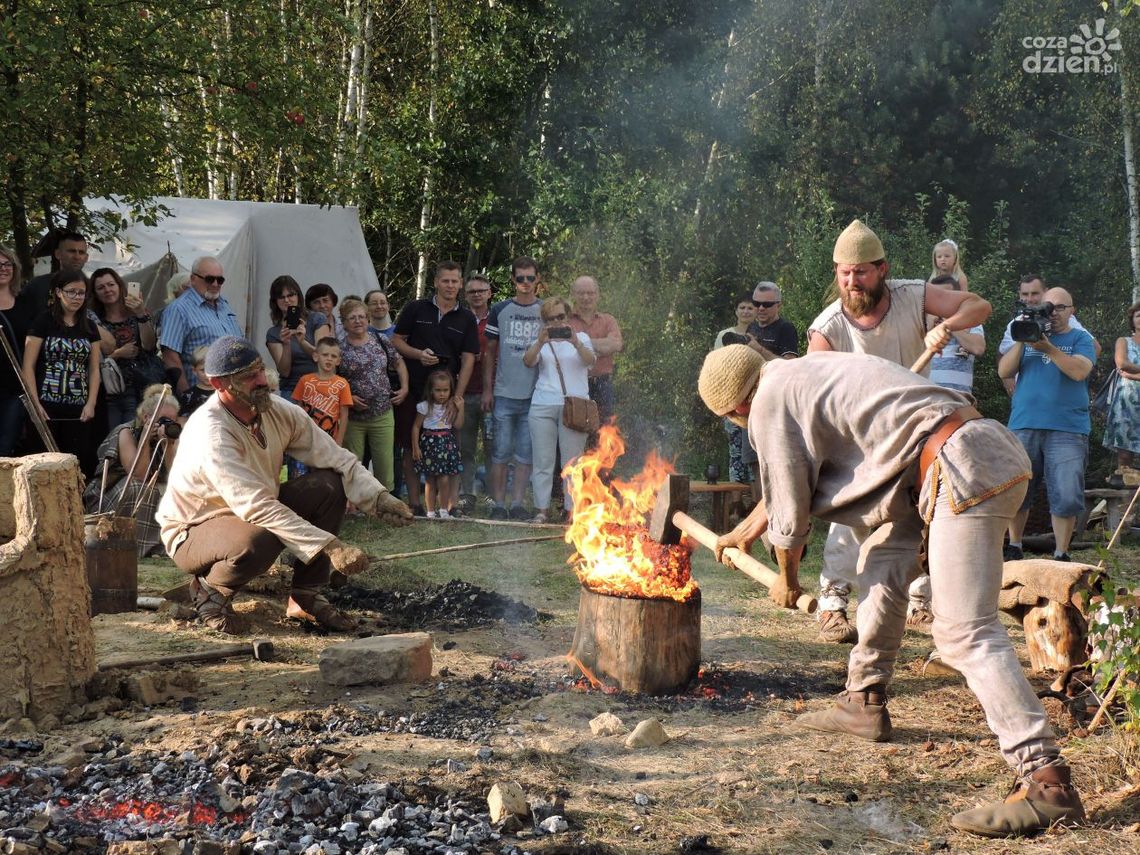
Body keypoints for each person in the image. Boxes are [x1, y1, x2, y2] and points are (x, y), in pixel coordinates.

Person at [699, 344, 1084, 838]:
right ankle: (864, 699)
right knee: (881, 558)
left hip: (958, 466)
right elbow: (784, 493)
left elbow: (791, 522)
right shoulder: (801, 373)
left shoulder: (769, 401)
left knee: (964, 632)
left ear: (735, 411)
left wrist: (787, 580)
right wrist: (744, 533)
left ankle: (1048, 783)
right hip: (958, 457)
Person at [807, 219, 991, 641]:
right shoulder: (828, 327)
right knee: (848, 514)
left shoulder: (914, 295)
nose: (853, 281)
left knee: (924, 513)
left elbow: (979, 306)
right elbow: (810, 390)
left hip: (914, 428)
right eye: (845, 273)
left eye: (862, 272)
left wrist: (948, 324)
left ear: (882, 269)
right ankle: (833, 604)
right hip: (856, 435)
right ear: (836, 274)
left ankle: (920, 602)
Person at [156, 335, 414, 635]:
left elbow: (336, 458)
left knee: (329, 484)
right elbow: (256, 507)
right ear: (219, 384)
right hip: (193, 532)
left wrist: (379, 497)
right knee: (259, 539)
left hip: (251, 514)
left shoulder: (277, 410)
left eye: (260, 370)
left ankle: (305, 595)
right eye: (249, 377)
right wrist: (331, 546)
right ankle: (209, 591)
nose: (262, 380)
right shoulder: (211, 431)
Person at [998, 287, 1095, 562]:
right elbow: (1004, 371)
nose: (1053, 313)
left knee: (1065, 492)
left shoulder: (1080, 339)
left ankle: (1061, 552)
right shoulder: (1030, 338)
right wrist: (1023, 338)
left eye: (1060, 307)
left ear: (1072, 311)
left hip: (1068, 429)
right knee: (1018, 488)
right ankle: (1014, 545)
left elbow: (1079, 371)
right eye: (1048, 307)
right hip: (1024, 424)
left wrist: (1049, 349)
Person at [392, 261, 479, 516]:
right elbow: (396, 341)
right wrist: (418, 354)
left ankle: (449, 506)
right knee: (411, 445)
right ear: (436, 282)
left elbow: (469, 358)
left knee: (451, 445)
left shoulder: (466, 318)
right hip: (415, 388)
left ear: (461, 283)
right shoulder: (416, 308)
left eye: (455, 281)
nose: (450, 285)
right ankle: (415, 503)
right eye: (445, 280)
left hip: (445, 393)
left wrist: (457, 396)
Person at [20, 269, 102, 476]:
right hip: (46, 407)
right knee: (44, 465)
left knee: (77, 464)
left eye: (81, 293)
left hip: (79, 408)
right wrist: (34, 403)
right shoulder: (43, 321)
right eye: (71, 292)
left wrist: (91, 403)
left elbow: (94, 368)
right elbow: (27, 366)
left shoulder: (90, 326)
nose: (77, 297)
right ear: (58, 292)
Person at [84, 385, 181, 557]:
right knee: (138, 487)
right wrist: (144, 439)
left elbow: (175, 476)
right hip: (108, 495)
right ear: (146, 418)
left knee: (175, 491)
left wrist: (169, 445)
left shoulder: (171, 436)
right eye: (164, 420)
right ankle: (128, 543)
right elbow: (138, 475)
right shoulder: (126, 432)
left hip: (143, 491)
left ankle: (160, 544)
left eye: (172, 421)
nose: (169, 425)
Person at [524, 297, 596, 524]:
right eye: (550, 319)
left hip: (574, 405)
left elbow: (590, 361)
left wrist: (575, 342)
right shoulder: (541, 340)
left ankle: (571, 511)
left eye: (560, 317)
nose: (556, 322)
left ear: (568, 316)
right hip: (542, 403)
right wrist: (540, 342)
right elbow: (528, 362)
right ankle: (541, 510)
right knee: (542, 461)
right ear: (545, 322)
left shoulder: (582, 337)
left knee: (572, 463)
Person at [482, 257, 544, 520]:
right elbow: (489, 353)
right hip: (504, 394)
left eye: (531, 278)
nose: (526, 283)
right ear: (513, 280)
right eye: (521, 278)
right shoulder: (499, 309)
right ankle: (498, 504)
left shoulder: (545, 310)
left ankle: (517, 503)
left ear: (538, 280)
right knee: (500, 452)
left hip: (535, 394)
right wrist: (487, 389)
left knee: (524, 454)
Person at [338, 297, 407, 490]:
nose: (358, 321)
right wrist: (349, 397)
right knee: (353, 463)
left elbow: (399, 362)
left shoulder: (381, 340)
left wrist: (405, 387)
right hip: (353, 417)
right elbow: (333, 380)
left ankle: (385, 505)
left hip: (382, 413)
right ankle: (353, 503)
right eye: (352, 318)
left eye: (361, 317)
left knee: (385, 462)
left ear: (368, 320)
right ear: (344, 323)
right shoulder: (339, 348)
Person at [997, 274, 1098, 395]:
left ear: (1045, 292)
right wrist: (1007, 380)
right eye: (1025, 294)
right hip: (1025, 398)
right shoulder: (1017, 323)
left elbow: (1093, 348)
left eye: (1034, 293)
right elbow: (1002, 355)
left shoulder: (1065, 319)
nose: (1029, 299)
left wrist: (1071, 373)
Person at [158, 256, 242, 394]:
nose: (215, 284)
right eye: (209, 279)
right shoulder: (178, 309)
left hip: (232, 391)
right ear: (193, 279)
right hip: (202, 394)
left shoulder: (224, 305)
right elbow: (170, 356)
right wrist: (187, 396)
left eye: (220, 280)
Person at [91, 268, 158, 428]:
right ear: (95, 293)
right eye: (101, 287)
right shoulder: (94, 319)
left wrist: (141, 314)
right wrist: (118, 354)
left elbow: (149, 346)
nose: (107, 290)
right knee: (115, 437)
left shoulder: (137, 312)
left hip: (141, 386)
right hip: (111, 391)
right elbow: (94, 359)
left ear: (120, 286)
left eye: (111, 284)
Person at [714, 294, 762, 495]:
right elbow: (716, 365)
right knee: (735, 452)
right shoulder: (725, 335)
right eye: (742, 307)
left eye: (750, 308)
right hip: (731, 400)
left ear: (756, 312)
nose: (746, 311)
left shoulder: (760, 335)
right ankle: (735, 503)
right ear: (736, 311)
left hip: (756, 402)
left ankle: (754, 502)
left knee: (754, 453)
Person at [458, 274, 493, 512]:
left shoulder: (498, 318)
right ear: (466, 295)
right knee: (465, 446)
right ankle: (467, 494)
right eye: (472, 292)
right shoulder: (459, 318)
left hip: (492, 392)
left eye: (481, 291)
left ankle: (492, 494)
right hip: (465, 390)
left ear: (489, 293)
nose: (477, 295)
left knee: (494, 447)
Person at [568, 275, 623, 428]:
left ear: (597, 295)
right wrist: (601, 346)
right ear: (573, 295)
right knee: (576, 427)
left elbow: (616, 345)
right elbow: (563, 349)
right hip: (574, 385)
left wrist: (579, 343)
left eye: (590, 293)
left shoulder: (608, 320)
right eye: (581, 293)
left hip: (602, 384)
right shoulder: (565, 321)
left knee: (605, 429)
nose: (586, 297)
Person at [266, 275, 331, 399]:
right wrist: (286, 344)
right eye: (281, 297)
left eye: (290, 295)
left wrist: (302, 341)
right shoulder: (273, 333)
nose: (286, 300)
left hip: (321, 386)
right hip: (292, 389)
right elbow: (284, 372)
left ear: (298, 296)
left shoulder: (317, 319)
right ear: (275, 301)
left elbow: (325, 358)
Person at [0, 245, 36, 456]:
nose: (3, 269)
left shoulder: (26, 303)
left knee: (5, 447)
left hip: (16, 387)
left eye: (7, 264)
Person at [413, 369, 463, 518]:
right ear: (431, 390)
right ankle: (430, 511)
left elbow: (459, 425)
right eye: (438, 390)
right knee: (430, 479)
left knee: (445, 478)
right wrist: (416, 447)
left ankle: (443, 509)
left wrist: (461, 408)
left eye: (445, 390)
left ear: (450, 390)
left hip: (446, 444)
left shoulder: (451, 406)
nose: (442, 394)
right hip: (430, 444)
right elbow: (416, 427)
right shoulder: (424, 406)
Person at [927, 274, 985, 393]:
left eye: (946, 296)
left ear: (957, 298)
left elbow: (978, 348)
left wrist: (949, 325)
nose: (940, 301)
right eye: (937, 296)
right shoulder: (923, 323)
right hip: (927, 402)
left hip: (959, 402)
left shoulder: (970, 322)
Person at [292, 337, 354, 448]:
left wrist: (339, 443)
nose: (329, 359)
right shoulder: (305, 380)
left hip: (329, 442)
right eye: (325, 355)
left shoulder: (342, 384)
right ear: (316, 356)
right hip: (306, 439)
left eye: (333, 356)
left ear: (338, 361)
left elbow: (344, 416)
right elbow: (298, 410)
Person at [1103, 301, 1140, 475]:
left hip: (1131, 386)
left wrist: (1133, 374)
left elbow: (1127, 370)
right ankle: (1124, 494)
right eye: (1138, 316)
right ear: (1132, 319)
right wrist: (1128, 371)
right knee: (1125, 452)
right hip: (1126, 402)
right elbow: (1122, 363)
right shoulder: (1123, 341)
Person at [24, 231, 90, 313]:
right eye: (71, 251)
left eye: (81, 252)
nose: (77, 257)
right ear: (58, 254)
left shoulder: (94, 288)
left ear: (86, 258)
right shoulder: (37, 285)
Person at [746, 282, 799, 358]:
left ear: (779, 306)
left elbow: (790, 364)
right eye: (756, 303)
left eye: (767, 304)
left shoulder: (785, 328)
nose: (761, 308)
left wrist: (760, 350)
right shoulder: (751, 326)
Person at [179, 345, 214, 417]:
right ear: (194, 371)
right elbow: (183, 420)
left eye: (210, 369)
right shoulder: (188, 396)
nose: (207, 374)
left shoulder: (223, 392)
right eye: (203, 370)